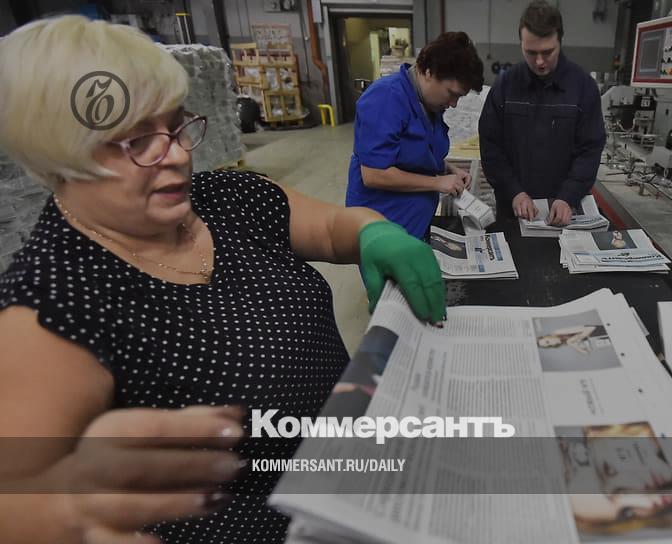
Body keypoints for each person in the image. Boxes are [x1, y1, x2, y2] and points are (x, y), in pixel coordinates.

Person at [0, 16, 446, 544]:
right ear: (60, 161)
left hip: (348, 473)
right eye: (138, 140)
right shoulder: (52, 305)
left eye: (176, 125)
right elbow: (23, 498)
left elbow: (331, 229)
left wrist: (372, 231)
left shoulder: (225, 198)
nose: (177, 154)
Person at [345, 32, 485, 239]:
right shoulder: (385, 97)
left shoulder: (429, 106)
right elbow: (374, 174)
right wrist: (437, 182)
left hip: (414, 224)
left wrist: (447, 169)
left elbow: (414, 154)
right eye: (452, 93)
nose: (454, 104)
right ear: (429, 72)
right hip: (382, 227)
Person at [479, 0, 606, 226]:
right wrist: (514, 191)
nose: (539, 62)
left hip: (565, 212)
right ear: (520, 43)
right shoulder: (505, 86)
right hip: (514, 211)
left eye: (547, 52)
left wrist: (568, 196)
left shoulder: (583, 87)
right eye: (531, 52)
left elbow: (590, 149)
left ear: (560, 41)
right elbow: (491, 146)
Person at [537, 324, 610, 354]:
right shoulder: (564, 342)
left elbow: (591, 328)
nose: (551, 344)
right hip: (600, 339)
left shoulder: (558, 332)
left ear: (547, 336)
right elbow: (585, 352)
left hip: (601, 331)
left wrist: (571, 341)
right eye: (549, 345)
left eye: (547, 341)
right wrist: (572, 342)